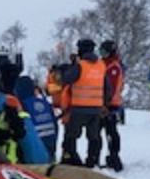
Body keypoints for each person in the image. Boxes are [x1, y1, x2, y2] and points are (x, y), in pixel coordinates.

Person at [58, 38, 108, 167]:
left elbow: (66, 79)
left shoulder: (80, 66)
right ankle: (92, 160)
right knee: (94, 137)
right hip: (96, 108)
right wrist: (103, 103)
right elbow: (108, 88)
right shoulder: (101, 66)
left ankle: (71, 160)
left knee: (71, 136)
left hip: (79, 107)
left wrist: (66, 69)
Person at [13, 74, 59, 159]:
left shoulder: (22, 106)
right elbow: (55, 125)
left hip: (34, 152)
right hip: (50, 149)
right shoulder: (46, 104)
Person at [100, 39, 126, 171]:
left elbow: (112, 87)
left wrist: (106, 103)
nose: (101, 54)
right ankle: (111, 156)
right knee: (106, 132)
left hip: (110, 104)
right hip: (105, 103)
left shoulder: (113, 67)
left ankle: (115, 158)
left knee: (111, 132)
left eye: (104, 52)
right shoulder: (105, 64)